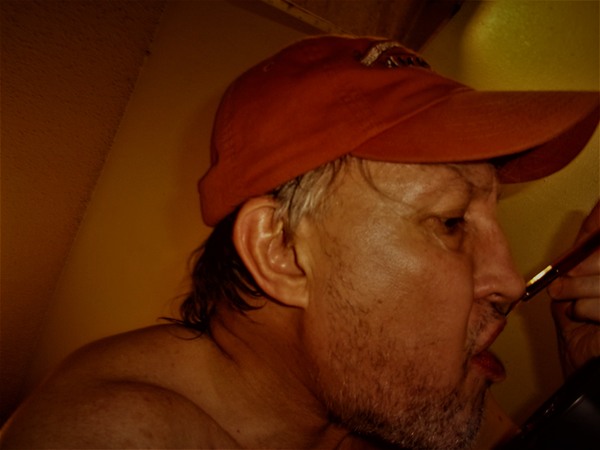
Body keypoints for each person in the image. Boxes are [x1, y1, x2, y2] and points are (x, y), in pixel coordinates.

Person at [1, 35, 598, 450]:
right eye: (450, 222)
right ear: (281, 251)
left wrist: (589, 384)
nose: (510, 282)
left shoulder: (387, 390)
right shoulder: (114, 433)